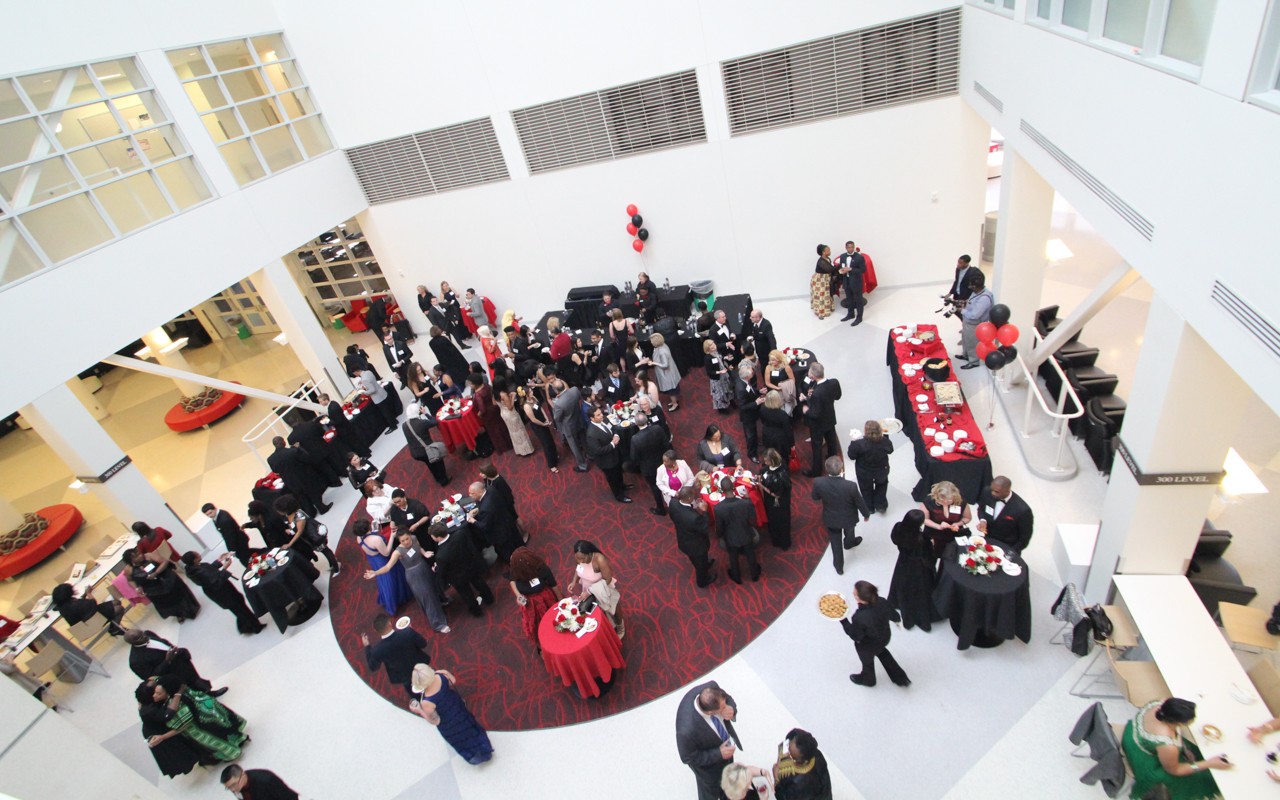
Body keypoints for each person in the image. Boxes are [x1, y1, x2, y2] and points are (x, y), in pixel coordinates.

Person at [1122, 698, 1229, 799]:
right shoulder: (1168, 745)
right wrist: (1209, 763)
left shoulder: (1161, 703)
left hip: (1131, 735)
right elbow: (1175, 770)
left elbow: (1174, 732)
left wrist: (1184, 747)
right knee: (1204, 777)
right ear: (1178, 722)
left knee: (1194, 751)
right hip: (1149, 763)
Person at [149, 674, 248, 764]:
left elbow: (183, 725)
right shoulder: (183, 690)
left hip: (199, 728)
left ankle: (231, 753)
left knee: (215, 740)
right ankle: (239, 739)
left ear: (168, 693)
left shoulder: (177, 704)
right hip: (210, 715)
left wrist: (162, 737)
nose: (154, 695)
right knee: (223, 730)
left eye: (158, 693)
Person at [367, 528, 450, 633]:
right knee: (427, 598)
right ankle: (438, 624)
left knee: (434, 587)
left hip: (423, 567)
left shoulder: (414, 538)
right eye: (402, 541)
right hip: (414, 576)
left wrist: (424, 553)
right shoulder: (397, 552)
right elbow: (388, 567)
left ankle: (442, 601)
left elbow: (418, 547)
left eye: (407, 539)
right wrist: (375, 573)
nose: (406, 542)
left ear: (410, 536)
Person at [409, 663, 493, 764]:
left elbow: (435, 720)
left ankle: (476, 757)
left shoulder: (426, 702)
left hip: (449, 723)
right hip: (457, 706)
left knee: (461, 739)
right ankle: (485, 747)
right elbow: (453, 680)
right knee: (471, 727)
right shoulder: (441, 674)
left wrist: (419, 710)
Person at [675, 681, 742, 800]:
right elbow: (688, 757)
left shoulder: (712, 689)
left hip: (727, 753)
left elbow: (728, 699)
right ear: (711, 712)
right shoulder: (686, 731)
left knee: (729, 784)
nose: (725, 706)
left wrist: (731, 708)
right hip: (709, 769)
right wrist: (718, 753)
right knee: (711, 793)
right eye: (722, 708)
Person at [842, 580, 910, 688]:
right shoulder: (882, 601)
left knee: (867, 662)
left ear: (861, 599)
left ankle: (868, 679)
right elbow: (894, 615)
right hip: (884, 637)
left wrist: (843, 621)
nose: (853, 594)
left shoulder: (860, 617)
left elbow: (855, 635)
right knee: (883, 653)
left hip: (867, 646)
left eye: (855, 594)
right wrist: (897, 622)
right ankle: (900, 677)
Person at [810, 456, 871, 575]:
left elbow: (815, 497)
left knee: (835, 542)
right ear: (841, 469)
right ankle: (849, 543)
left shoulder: (819, 482)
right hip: (849, 517)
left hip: (831, 518)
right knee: (850, 531)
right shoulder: (851, 486)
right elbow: (859, 502)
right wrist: (866, 514)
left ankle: (839, 567)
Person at [180, 552, 265, 635]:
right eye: (197, 555)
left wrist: (219, 560)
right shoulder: (199, 572)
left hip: (220, 590)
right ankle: (255, 627)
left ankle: (248, 624)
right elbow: (217, 580)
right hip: (222, 592)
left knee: (238, 606)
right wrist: (225, 568)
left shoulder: (194, 569)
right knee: (239, 607)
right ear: (194, 560)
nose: (199, 555)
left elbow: (210, 570)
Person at [136, 681, 207, 777]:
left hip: (160, 726)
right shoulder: (149, 710)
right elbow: (168, 714)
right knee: (179, 750)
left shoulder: (144, 698)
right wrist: (178, 693)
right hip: (157, 731)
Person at [887, 509, 937, 632]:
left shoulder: (898, 528)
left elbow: (894, 539)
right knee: (920, 591)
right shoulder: (923, 539)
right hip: (919, 568)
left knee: (903, 587)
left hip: (903, 563)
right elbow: (929, 555)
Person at [428, 522, 493, 616]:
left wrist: (436, 569)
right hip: (470, 566)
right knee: (480, 582)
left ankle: (477, 611)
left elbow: (442, 571)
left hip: (458, 577)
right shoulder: (460, 535)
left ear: (437, 537)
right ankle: (489, 598)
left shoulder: (440, 555)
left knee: (467, 595)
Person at [124, 628, 219, 692]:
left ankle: (209, 691)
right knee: (191, 688)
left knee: (195, 679)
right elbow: (152, 676)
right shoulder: (136, 661)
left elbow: (162, 641)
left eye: (142, 633)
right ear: (133, 642)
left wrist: (174, 649)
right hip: (172, 674)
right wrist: (167, 660)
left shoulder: (148, 633)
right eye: (141, 637)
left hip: (181, 662)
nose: (145, 636)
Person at [361, 612, 432, 696]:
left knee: (416, 695)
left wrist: (367, 647)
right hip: (421, 666)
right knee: (432, 682)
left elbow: (373, 667)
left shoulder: (377, 650)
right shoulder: (407, 633)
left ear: (376, 630)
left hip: (403, 676)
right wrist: (412, 632)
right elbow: (423, 644)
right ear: (390, 623)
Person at [506, 547, 562, 649]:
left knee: (553, 621)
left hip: (545, 600)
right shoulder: (516, 569)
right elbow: (512, 580)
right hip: (529, 605)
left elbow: (554, 585)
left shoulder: (542, 569)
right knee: (537, 626)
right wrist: (518, 594)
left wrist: (562, 602)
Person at [124, 547, 201, 621]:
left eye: (139, 553)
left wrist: (156, 573)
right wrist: (137, 588)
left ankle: (189, 610)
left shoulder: (149, 556)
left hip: (166, 578)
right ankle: (178, 614)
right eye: (136, 557)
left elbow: (164, 561)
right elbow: (130, 580)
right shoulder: (128, 569)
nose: (140, 556)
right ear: (131, 561)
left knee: (178, 595)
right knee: (166, 603)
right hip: (152, 588)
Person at [353, 518, 412, 615]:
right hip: (383, 559)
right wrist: (392, 536)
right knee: (391, 578)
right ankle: (396, 599)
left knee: (383, 580)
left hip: (373, 559)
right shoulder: (376, 540)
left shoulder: (359, 538)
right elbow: (386, 553)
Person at [274, 494, 341, 576]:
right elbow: (295, 528)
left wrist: (289, 544)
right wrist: (291, 531)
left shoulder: (298, 515)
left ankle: (336, 567)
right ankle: (333, 564)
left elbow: (300, 531)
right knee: (324, 551)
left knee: (326, 551)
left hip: (315, 537)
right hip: (309, 538)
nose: (278, 512)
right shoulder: (289, 515)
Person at [568, 539, 623, 637]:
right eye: (578, 559)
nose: (580, 561)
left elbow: (608, 579)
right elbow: (578, 569)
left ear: (589, 553)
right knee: (597, 611)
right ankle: (609, 626)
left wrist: (590, 591)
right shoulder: (578, 557)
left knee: (613, 607)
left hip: (602, 589)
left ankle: (620, 626)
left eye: (583, 559)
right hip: (587, 589)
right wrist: (573, 581)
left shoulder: (599, 559)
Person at [267, 435, 332, 517]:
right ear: (283, 442)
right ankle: (322, 508)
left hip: (290, 482)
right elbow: (306, 458)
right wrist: (298, 448)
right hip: (304, 476)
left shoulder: (271, 459)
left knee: (302, 498)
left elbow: (275, 471)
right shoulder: (293, 451)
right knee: (313, 493)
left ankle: (311, 513)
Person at [715, 476, 760, 584]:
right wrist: (748, 499)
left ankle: (736, 576)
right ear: (734, 487)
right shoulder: (745, 503)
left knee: (733, 557)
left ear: (722, 490)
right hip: (746, 533)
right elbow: (753, 518)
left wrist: (721, 536)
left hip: (730, 538)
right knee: (750, 554)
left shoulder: (718, 508)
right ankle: (754, 574)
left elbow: (719, 527)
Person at [669, 486, 716, 588]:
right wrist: (705, 511)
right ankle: (702, 581)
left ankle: (705, 565)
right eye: (693, 496)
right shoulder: (694, 518)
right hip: (696, 546)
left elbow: (673, 517)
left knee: (698, 560)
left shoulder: (673, 503)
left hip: (683, 539)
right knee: (700, 565)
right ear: (689, 498)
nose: (695, 497)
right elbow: (705, 526)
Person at [801, 362, 842, 477]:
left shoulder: (817, 393)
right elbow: (838, 396)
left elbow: (815, 413)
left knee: (817, 447)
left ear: (812, 376)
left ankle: (816, 470)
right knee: (831, 440)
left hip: (818, 425)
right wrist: (810, 397)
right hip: (830, 418)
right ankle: (832, 457)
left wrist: (806, 409)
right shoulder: (834, 382)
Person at [466, 480, 522, 561]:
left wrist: (472, 520)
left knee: (508, 553)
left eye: (472, 493)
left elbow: (484, 526)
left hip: (500, 534)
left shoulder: (486, 509)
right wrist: (478, 509)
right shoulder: (491, 489)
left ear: (479, 491)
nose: (470, 495)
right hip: (506, 521)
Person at [585, 406, 632, 503]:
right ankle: (619, 496)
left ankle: (622, 486)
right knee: (613, 479)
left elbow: (613, 428)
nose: (601, 415)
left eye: (601, 413)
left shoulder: (605, 419)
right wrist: (612, 444)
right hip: (607, 461)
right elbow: (597, 451)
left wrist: (616, 435)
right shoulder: (591, 434)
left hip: (616, 455)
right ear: (592, 418)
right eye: (598, 415)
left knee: (619, 473)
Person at [772, 728, 834, 800]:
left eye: (792, 756)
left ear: (803, 761)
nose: (786, 754)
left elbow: (782, 797)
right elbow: (794, 733)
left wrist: (776, 778)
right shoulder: (815, 753)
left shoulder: (799, 784)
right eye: (788, 745)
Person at [976, 476, 1034, 551]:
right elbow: (981, 509)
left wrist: (1010, 552)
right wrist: (983, 520)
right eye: (992, 490)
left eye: (996, 492)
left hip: (1007, 546)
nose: (992, 493)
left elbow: (1024, 539)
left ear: (1007, 491)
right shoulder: (987, 492)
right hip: (988, 540)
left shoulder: (1023, 510)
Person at [847, 420, 893, 514]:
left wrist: (853, 441)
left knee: (865, 488)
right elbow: (890, 450)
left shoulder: (859, 444)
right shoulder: (884, 441)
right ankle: (881, 505)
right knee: (882, 485)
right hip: (881, 470)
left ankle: (869, 508)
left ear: (865, 431)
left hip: (864, 472)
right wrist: (886, 435)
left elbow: (851, 456)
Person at [629, 413, 669, 515]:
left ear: (636, 423)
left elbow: (634, 458)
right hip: (663, 462)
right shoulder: (657, 428)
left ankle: (660, 508)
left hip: (648, 468)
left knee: (655, 487)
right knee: (668, 481)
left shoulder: (635, 439)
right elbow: (666, 444)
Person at [920, 480, 971, 560]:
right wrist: (938, 526)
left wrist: (958, 523)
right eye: (941, 500)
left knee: (952, 557)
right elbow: (924, 519)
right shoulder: (928, 501)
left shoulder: (961, 502)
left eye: (949, 500)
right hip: (934, 534)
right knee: (931, 556)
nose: (946, 503)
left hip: (954, 535)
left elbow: (967, 518)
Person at [402, 402, 450, 486]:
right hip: (427, 450)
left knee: (430, 464)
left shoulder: (404, 425)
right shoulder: (422, 423)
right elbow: (434, 421)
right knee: (438, 462)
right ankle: (444, 480)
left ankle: (438, 478)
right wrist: (426, 413)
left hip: (415, 452)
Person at [50, 582, 124, 634]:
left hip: (83, 624)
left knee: (116, 602)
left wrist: (85, 595)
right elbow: (93, 603)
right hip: (92, 622)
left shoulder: (62, 606)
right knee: (119, 608)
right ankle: (115, 629)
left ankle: (114, 626)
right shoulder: (76, 604)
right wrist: (88, 593)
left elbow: (83, 605)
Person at [549, 378, 589, 472]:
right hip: (579, 419)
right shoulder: (575, 390)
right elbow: (580, 398)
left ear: (555, 390)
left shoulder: (558, 404)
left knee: (575, 446)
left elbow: (557, 418)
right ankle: (590, 454)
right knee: (584, 439)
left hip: (569, 427)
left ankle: (582, 465)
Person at [957, 269, 994, 369]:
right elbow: (972, 303)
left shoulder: (984, 298)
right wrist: (964, 303)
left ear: (975, 286)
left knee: (972, 343)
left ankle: (974, 361)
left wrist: (962, 311)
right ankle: (965, 355)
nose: (969, 287)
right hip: (967, 321)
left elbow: (975, 315)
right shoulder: (977, 292)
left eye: (970, 285)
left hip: (974, 324)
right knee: (965, 339)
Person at [318, 391, 371, 460]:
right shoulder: (333, 403)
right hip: (346, 426)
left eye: (321, 401)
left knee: (354, 442)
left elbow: (338, 420)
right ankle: (366, 452)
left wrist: (328, 422)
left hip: (344, 429)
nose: (320, 403)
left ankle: (365, 454)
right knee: (355, 440)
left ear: (326, 400)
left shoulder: (332, 408)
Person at [201, 503, 255, 567]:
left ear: (215, 509)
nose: (209, 516)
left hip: (239, 542)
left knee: (245, 560)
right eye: (207, 515)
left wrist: (232, 551)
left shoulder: (223, 520)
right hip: (239, 540)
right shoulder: (218, 515)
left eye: (210, 513)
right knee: (247, 554)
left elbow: (230, 537)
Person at [759, 447, 792, 550]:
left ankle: (783, 542)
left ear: (772, 461)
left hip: (779, 502)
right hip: (770, 501)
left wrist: (762, 486)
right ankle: (775, 538)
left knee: (781, 521)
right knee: (772, 520)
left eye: (766, 460)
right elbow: (763, 473)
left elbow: (777, 494)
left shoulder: (781, 475)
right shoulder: (767, 468)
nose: (764, 462)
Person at [468, 373, 510, 454]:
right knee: (502, 426)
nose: (470, 386)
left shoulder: (478, 395)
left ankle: (502, 447)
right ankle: (509, 442)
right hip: (495, 408)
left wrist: (479, 414)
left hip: (488, 414)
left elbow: (482, 409)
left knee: (494, 431)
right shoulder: (486, 385)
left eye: (470, 384)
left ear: (475, 383)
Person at [522, 385, 559, 472]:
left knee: (550, 440)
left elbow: (541, 408)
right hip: (538, 426)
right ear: (526, 395)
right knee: (546, 444)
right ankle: (551, 464)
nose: (532, 392)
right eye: (530, 391)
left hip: (543, 421)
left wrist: (547, 419)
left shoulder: (534, 398)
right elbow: (533, 419)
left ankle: (555, 455)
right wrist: (543, 424)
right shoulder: (526, 406)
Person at [352, 368, 399, 434]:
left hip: (378, 397)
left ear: (355, 372)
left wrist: (364, 392)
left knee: (386, 413)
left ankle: (393, 426)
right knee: (388, 409)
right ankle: (394, 421)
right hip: (382, 392)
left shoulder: (364, 379)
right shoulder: (368, 372)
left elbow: (372, 390)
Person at [645, 332, 682, 411]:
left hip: (667, 374)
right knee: (671, 389)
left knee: (670, 390)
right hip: (668, 373)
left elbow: (665, 365)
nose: (651, 342)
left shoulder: (662, 351)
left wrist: (653, 363)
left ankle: (675, 404)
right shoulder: (663, 345)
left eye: (652, 341)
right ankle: (674, 401)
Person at [496, 379, 534, 456]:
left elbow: (494, 403)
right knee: (519, 430)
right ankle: (526, 450)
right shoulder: (503, 394)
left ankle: (519, 450)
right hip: (510, 414)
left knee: (512, 432)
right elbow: (510, 407)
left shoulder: (494, 393)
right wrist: (512, 397)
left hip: (503, 413)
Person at [735, 361, 764, 463]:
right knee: (750, 435)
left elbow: (750, 390)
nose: (753, 373)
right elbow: (742, 406)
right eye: (752, 373)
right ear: (747, 376)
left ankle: (756, 442)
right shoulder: (741, 389)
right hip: (747, 416)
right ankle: (752, 454)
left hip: (752, 412)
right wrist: (756, 403)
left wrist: (759, 392)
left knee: (753, 433)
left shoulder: (744, 380)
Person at [221, 764, 300, 800]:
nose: (233, 789)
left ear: (243, 775)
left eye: (234, 784)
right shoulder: (236, 788)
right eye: (228, 787)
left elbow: (288, 797)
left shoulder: (267, 780)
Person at [837, 240, 867, 325]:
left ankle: (859, 317)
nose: (850, 249)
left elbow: (863, 270)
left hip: (856, 282)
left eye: (852, 247)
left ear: (854, 247)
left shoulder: (859, 257)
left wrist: (851, 269)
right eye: (848, 247)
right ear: (846, 248)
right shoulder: (842, 256)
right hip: (846, 281)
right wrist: (841, 271)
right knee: (849, 299)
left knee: (858, 300)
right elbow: (841, 267)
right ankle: (850, 314)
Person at [759, 390, 795, 460]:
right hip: (780, 438)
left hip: (767, 434)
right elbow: (788, 430)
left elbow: (762, 421)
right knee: (783, 456)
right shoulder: (782, 414)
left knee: (771, 455)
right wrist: (792, 444)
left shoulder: (762, 408)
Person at [704, 339, 733, 412]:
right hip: (717, 379)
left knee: (727, 389)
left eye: (713, 344)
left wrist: (726, 358)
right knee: (720, 394)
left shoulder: (717, 352)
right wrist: (720, 372)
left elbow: (720, 359)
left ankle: (730, 402)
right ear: (707, 348)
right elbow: (709, 372)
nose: (713, 346)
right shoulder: (708, 358)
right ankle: (722, 408)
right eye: (711, 345)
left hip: (724, 376)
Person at [810, 244, 838, 319]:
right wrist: (840, 266)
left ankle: (828, 308)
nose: (830, 251)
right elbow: (830, 269)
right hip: (820, 280)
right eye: (828, 250)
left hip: (826, 279)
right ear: (823, 252)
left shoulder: (828, 258)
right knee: (821, 295)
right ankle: (821, 313)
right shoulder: (821, 261)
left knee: (827, 294)